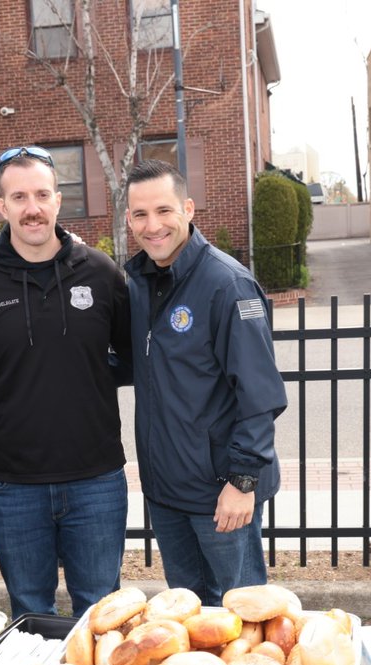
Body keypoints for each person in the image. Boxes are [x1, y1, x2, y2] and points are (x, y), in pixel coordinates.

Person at [0, 145, 131, 618]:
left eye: (42, 194)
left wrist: (80, 380)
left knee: (102, 615)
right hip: (13, 485)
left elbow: (132, 358)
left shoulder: (101, 272)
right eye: (20, 197)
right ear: (1, 206)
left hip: (96, 479)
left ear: (58, 199)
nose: (32, 208)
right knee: (31, 613)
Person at [123, 159, 286, 606]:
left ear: (188, 209)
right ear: (128, 220)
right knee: (188, 617)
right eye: (140, 214)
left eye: (163, 210)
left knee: (242, 613)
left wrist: (243, 481)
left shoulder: (227, 284)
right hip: (167, 491)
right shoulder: (139, 284)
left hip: (222, 493)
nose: (152, 225)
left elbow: (260, 396)